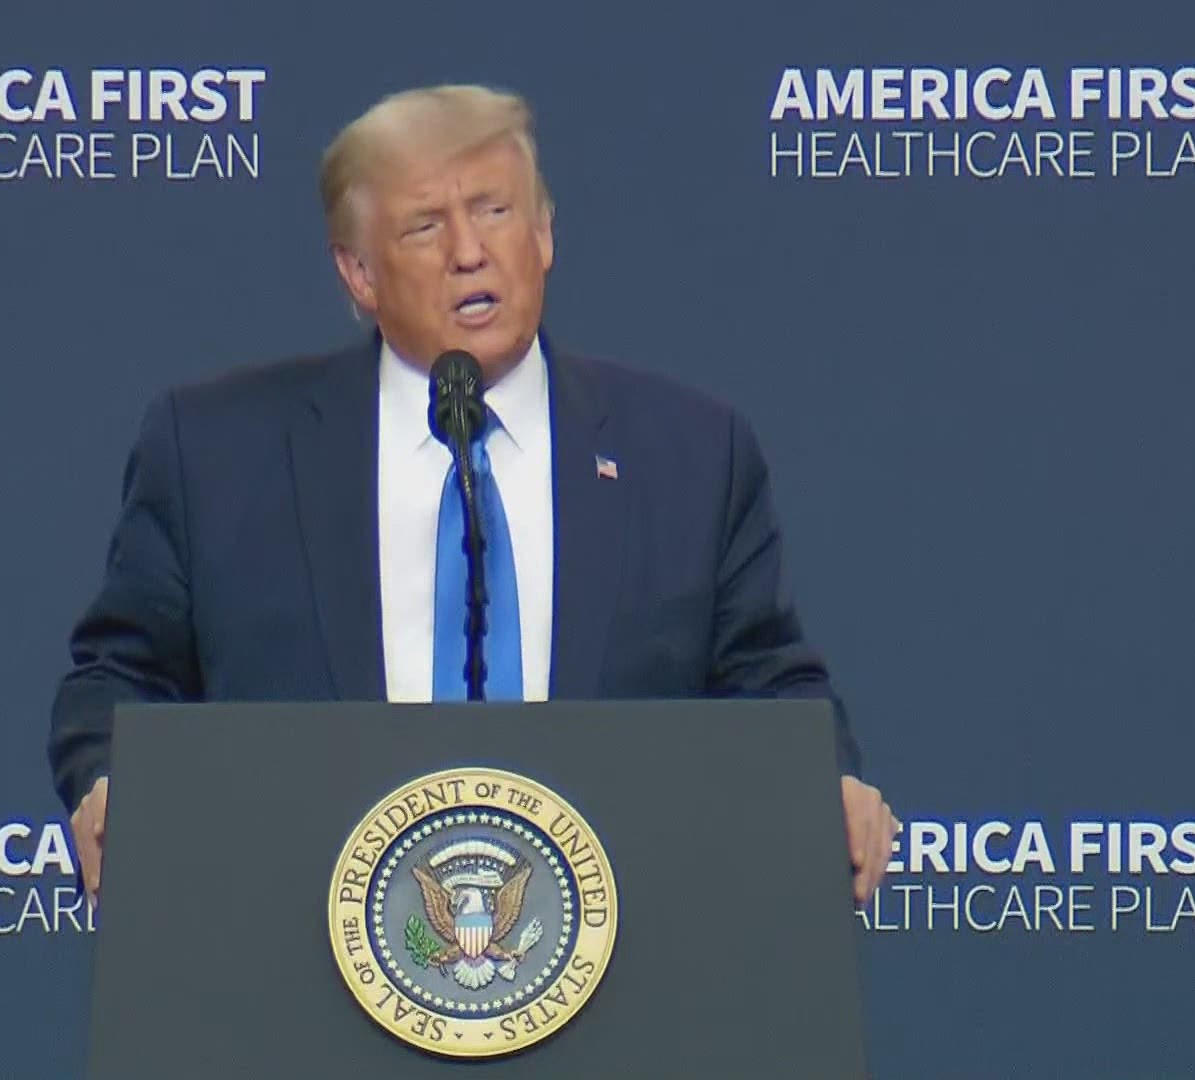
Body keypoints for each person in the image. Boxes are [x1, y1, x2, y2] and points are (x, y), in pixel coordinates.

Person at [47, 83, 895, 907]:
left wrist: (830, 782)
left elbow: (769, 682)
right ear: (358, 273)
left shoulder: (691, 452)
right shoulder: (217, 451)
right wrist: (113, 781)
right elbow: (121, 675)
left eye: (494, 211)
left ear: (546, 233)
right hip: (292, 962)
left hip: (628, 971)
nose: (468, 251)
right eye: (425, 225)